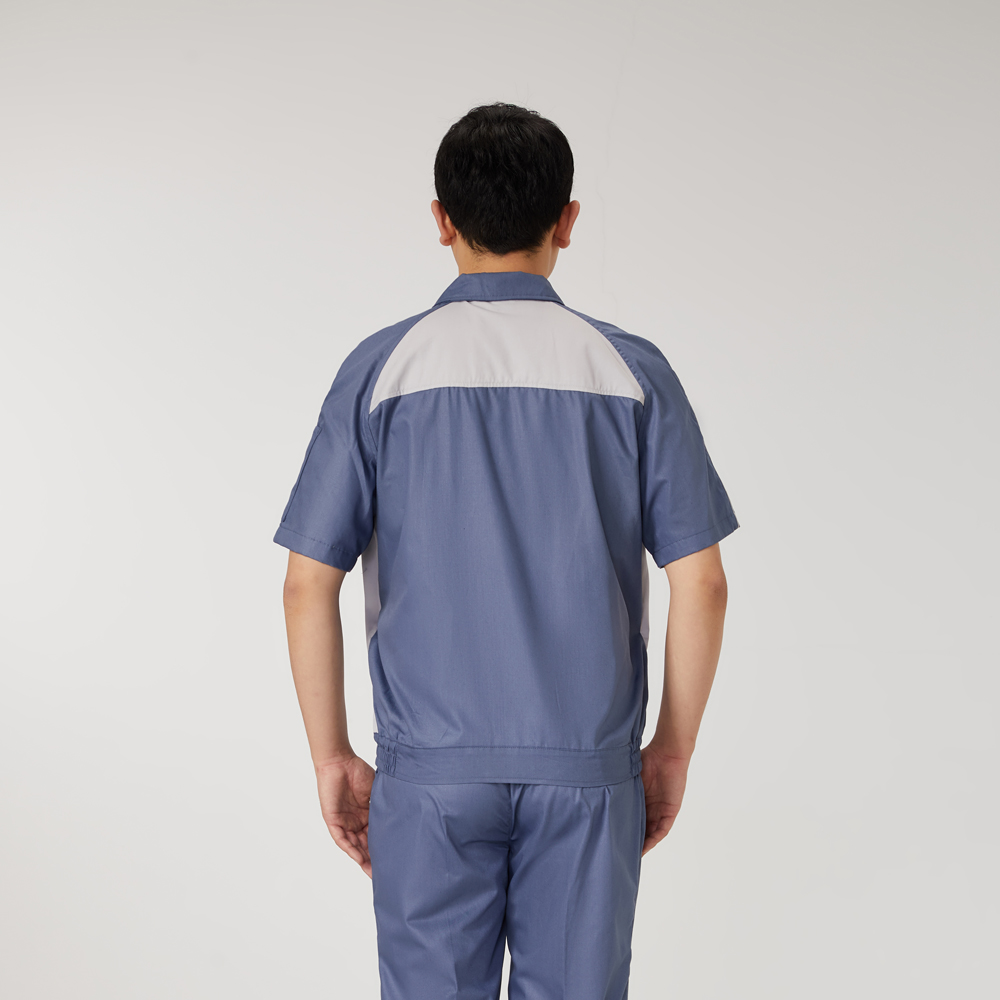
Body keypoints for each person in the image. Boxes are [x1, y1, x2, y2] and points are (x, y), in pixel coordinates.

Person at [275, 102, 738, 1000]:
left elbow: (305, 585)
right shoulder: (632, 372)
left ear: (441, 220)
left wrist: (332, 755)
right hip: (586, 772)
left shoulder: (380, 370)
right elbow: (704, 584)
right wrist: (671, 748)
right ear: (567, 221)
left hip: (430, 777)